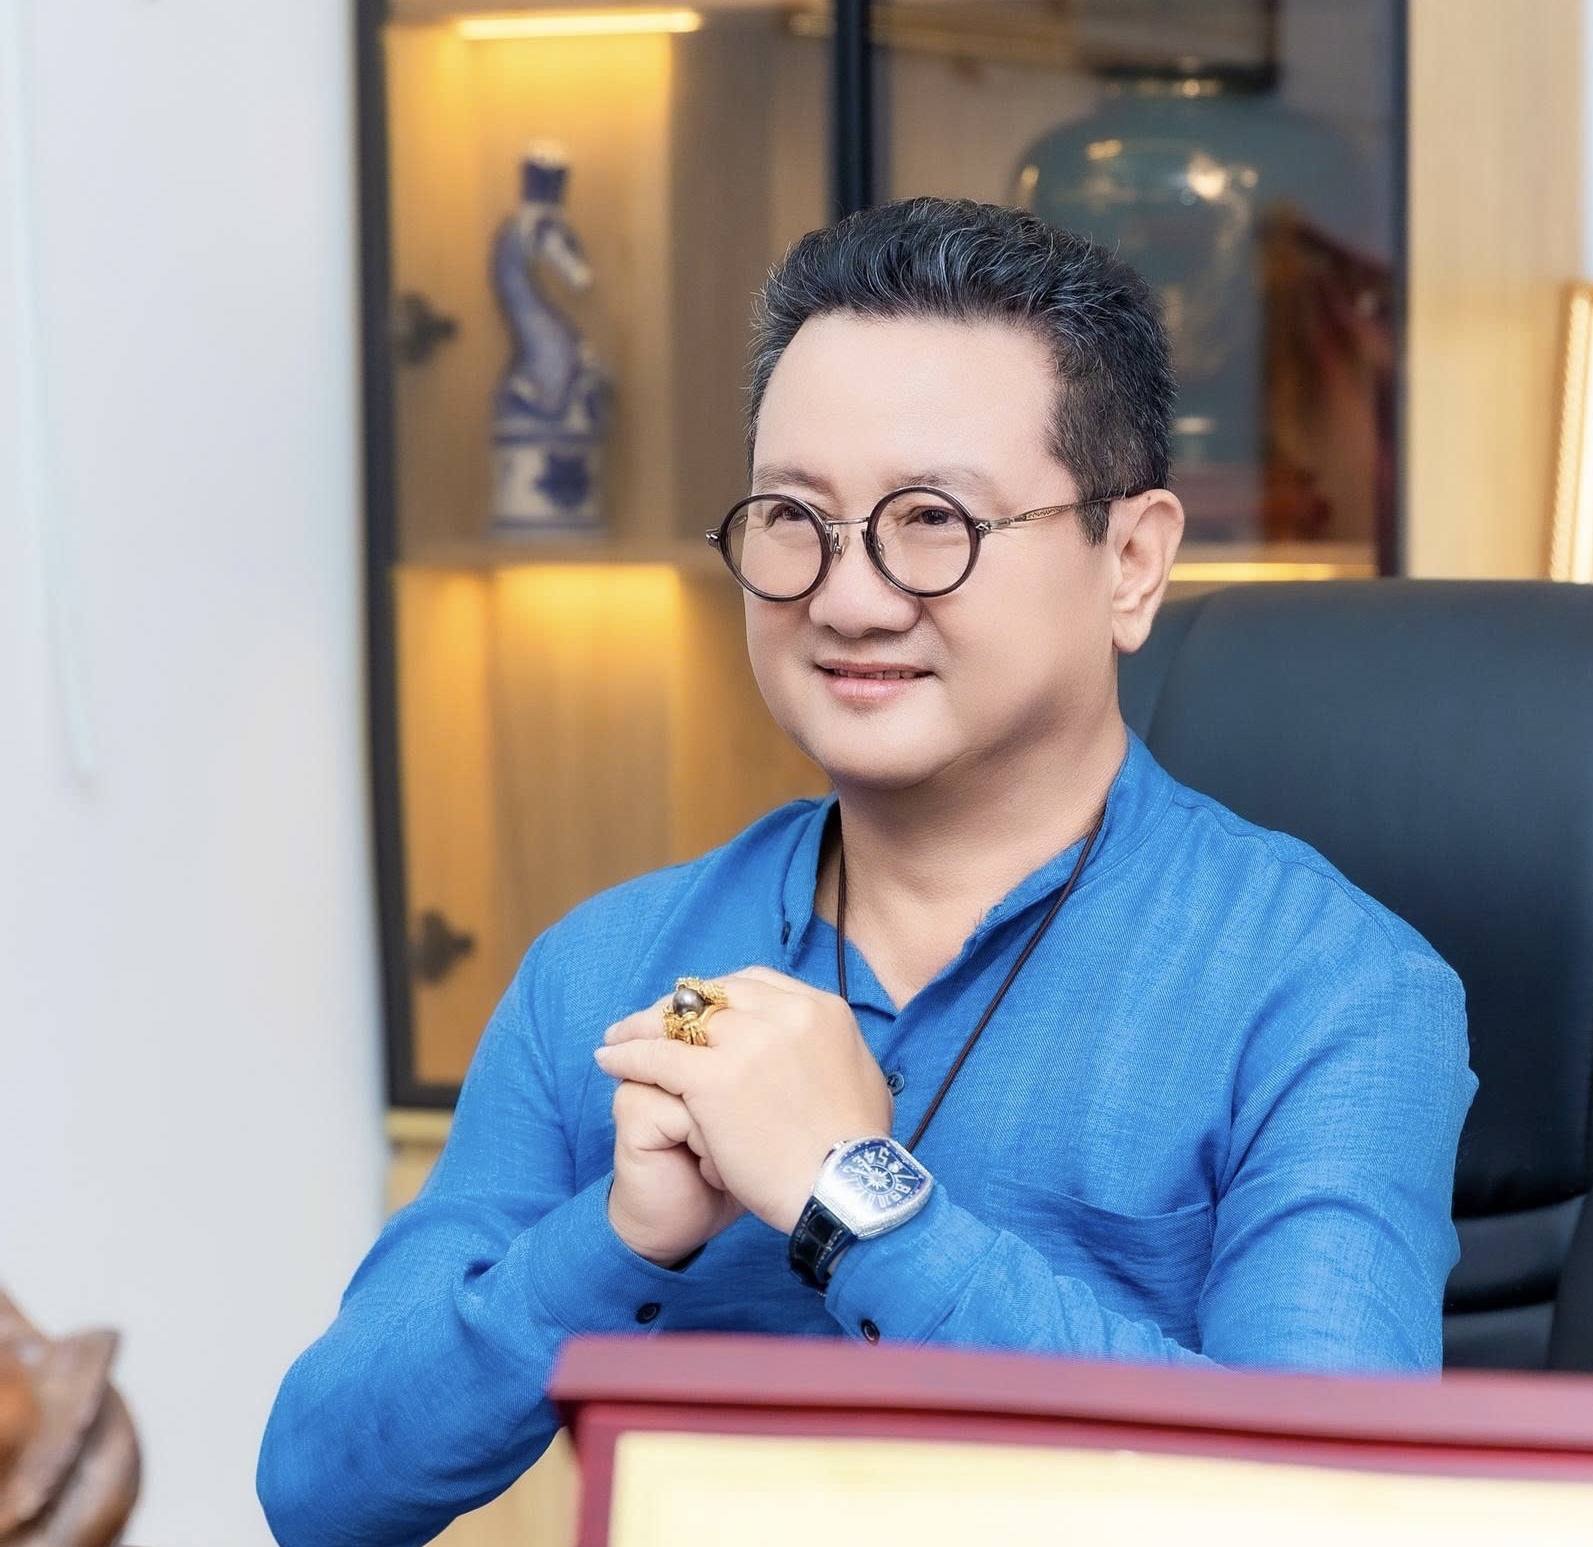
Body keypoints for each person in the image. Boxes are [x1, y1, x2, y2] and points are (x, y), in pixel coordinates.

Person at [258, 197, 1475, 1547]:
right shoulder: (609, 969)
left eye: (932, 519)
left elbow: (1329, 1515)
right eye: (795, 518)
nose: (845, 599)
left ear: (1130, 562)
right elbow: (319, 1493)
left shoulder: (1335, 989)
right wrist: (615, 1239)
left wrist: (857, 1200)